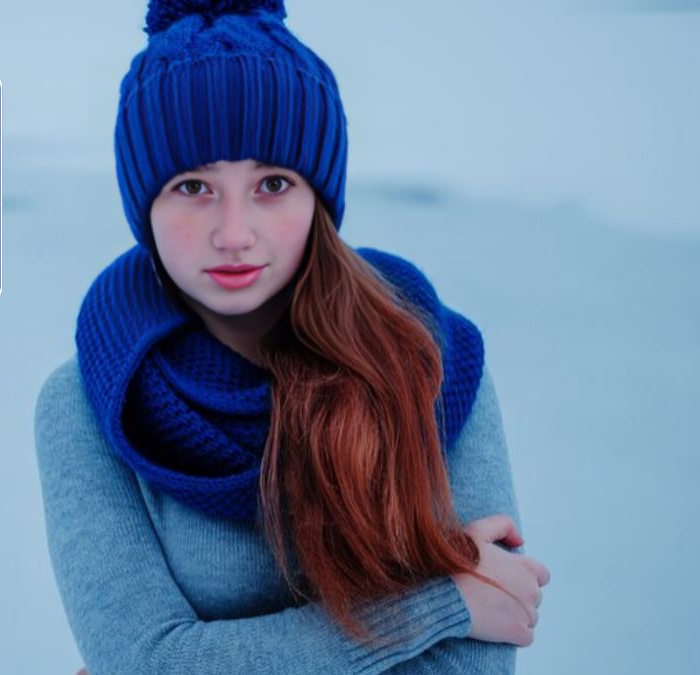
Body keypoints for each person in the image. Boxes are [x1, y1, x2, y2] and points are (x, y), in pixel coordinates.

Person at [33, 1, 551, 673]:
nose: (234, 232)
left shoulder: (432, 362)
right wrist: (437, 606)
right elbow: (148, 659)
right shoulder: (89, 400)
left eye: (273, 184)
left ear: (319, 196)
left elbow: (472, 667)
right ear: (145, 205)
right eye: (193, 186)